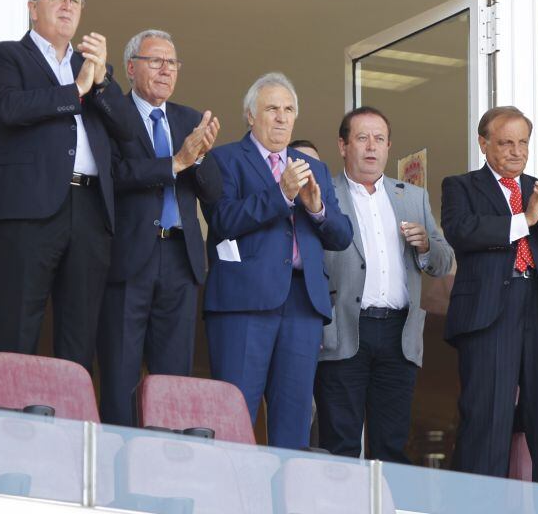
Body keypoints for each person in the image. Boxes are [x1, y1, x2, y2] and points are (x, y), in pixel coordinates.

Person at [0, 0, 122, 369]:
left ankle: (72, 429)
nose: (67, 6)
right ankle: (5, 422)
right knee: (18, 327)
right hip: (28, 209)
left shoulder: (94, 68)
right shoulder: (5, 56)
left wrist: (102, 84)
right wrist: (77, 89)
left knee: (79, 335)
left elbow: (126, 130)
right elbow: (8, 110)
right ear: (32, 8)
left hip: (90, 210)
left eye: (74, 0)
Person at [202, 72, 353, 449]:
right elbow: (223, 220)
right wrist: (281, 195)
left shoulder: (312, 167)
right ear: (251, 116)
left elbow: (342, 235)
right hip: (244, 304)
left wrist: (316, 208)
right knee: (235, 419)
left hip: (302, 304)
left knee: (294, 424)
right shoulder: (224, 159)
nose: (282, 117)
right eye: (272, 109)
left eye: (289, 109)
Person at [441, 106, 538, 484]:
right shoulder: (461, 186)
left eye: (523, 142)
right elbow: (463, 231)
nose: (516, 151)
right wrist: (526, 220)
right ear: (483, 143)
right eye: (506, 143)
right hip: (490, 314)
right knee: (486, 422)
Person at [93, 29, 222, 426]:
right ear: (131, 68)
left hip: (180, 260)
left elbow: (214, 193)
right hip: (129, 258)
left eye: (173, 62)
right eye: (156, 61)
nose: (166, 70)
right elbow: (113, 174)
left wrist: (199, 158)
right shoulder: (113, 111)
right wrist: (176, 163)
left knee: (173, 378)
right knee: (120, 374)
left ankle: (165, 469)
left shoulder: (188, 118)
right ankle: (116, 467)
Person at [315, 106, 453, 462]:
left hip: (399, 334)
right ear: (343, 146)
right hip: (344, 327)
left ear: (389, 147)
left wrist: (425, 246)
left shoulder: (412, 197)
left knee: (391, 445)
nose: (371, 147)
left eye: (379, 139)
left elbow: (444, 261)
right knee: (340, 443)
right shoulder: (323, 193)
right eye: (362, 138)